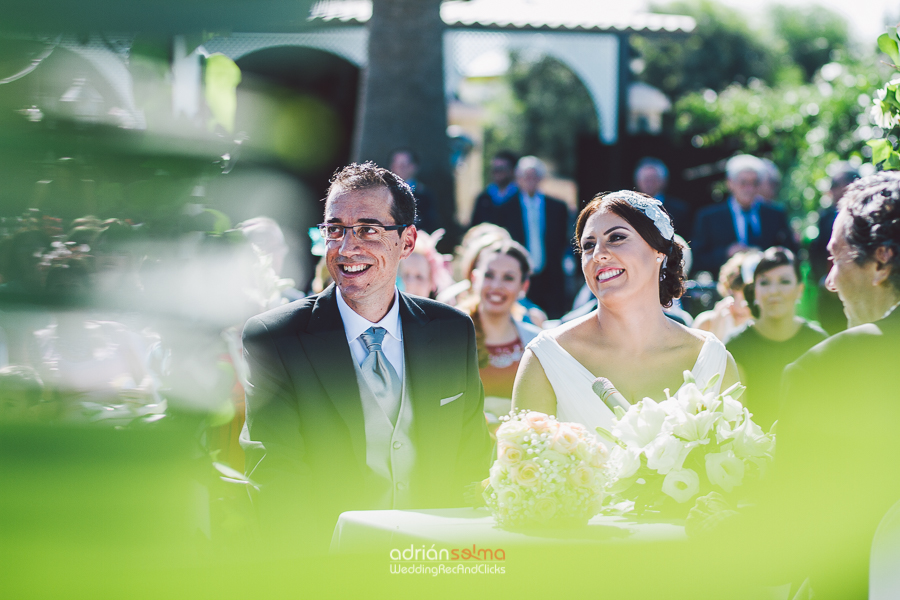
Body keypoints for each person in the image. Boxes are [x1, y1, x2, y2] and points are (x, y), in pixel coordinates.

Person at [239, 162, 491, 552]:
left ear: (406, 242)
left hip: (436, 559)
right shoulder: (276, 338)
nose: (347, 247)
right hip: (328, 565)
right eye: (335, 229)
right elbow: (275, 475)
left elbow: (473, 456)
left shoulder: (451, 331)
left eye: (368, 230)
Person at [743, 171, 900, 598]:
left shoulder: (824, 369)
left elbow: (792, 533)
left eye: (836, 259)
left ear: (881, 261)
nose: (829, 281)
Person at [512, 190, 739, 433]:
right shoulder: (547, 358)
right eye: (588, 246)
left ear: (659, 252)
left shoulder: (712, 359)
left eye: (616, 238)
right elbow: (523, 463)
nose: (598, 254)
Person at [724, 247, 827, 430]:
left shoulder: (819, 342)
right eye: (764, 283)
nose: (774, 291)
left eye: (784, 281)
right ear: (754, 290)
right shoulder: (734, 347)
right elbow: (733, 422)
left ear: (800, 290)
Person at [469, 156, 571, 318]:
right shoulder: (505, 208)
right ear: (518, 179)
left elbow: (563, 240)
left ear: (541, 178)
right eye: (525, 176)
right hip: (519, 273)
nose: (530, 180)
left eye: (534, 176)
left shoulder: (557, 207)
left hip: (551, 274)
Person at [462, 239, 540, 430]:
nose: (497, 285)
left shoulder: (537, 342)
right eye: (489, 275)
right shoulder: (452, 338)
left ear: (524, 286)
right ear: (474, 279)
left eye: (508, 278)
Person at [691, 154, 797, 276]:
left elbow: (790, 253)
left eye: (755, 183)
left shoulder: (775, 214)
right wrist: (727, 252)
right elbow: (697, 258)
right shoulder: (709, 217)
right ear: (730, 183)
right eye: (743, 183)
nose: (749, 189)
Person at [693, 251, 757, 341]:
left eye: (747, 297)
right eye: (733, 296)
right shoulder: (707, 323)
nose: (739, 306)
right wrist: (715, 335)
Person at [633, 157, 691, 236]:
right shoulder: (629, 206)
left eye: (653, 179)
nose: (649, 184)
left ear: (663, 181)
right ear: (637, 181)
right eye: (646, 180)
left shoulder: (679, 209)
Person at [389, 148, 441, 234]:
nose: (400, 169)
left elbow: (430, 223)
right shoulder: (383, 193)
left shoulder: (424, 194)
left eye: (404, 165)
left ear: (414, 167)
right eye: (397, 165)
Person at [470, 150, 519, 223]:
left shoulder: (521, 198)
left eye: (501, 169)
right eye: (494, 169)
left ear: (512, 171)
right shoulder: (483, 198)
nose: (496, 173)